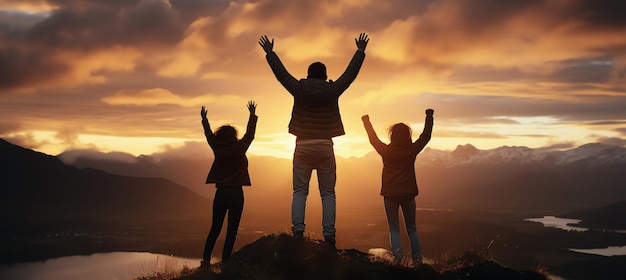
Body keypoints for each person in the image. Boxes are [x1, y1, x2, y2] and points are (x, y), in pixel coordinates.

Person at [258, 33, 369, 248]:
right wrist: (360, 51)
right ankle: (329, 235)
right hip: (326, 145)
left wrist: (270, 53)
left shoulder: (299, 89)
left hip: (303, 145)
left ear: (308, 76)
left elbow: (281, 75)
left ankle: (298, 231)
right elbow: (350, 75)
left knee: (300, 191)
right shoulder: (333, 89)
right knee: (328, 193)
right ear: (325, 75)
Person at [361, 109, 434, 265]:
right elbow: (425, 136)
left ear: (392, 136)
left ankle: (398, 261)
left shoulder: (386, 151)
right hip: (408, 195)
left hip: (390, 195)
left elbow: (373, 139)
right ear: (408, 136)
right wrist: (429, 117)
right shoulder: (412, 150)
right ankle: (418, 262)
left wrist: (366, 122)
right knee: (412, 229)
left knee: (394, 229)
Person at [200, 101, 258, 267]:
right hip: (236, 194)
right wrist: (252, 115)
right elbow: (250, 134)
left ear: (220, 136)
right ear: (233, 136)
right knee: (231, 231)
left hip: (221, 193)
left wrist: (204, 120)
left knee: (215, 229)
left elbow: (208, 135)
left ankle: (205, 260)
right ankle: (225, 262)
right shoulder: (240, 148)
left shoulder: (217, 147)